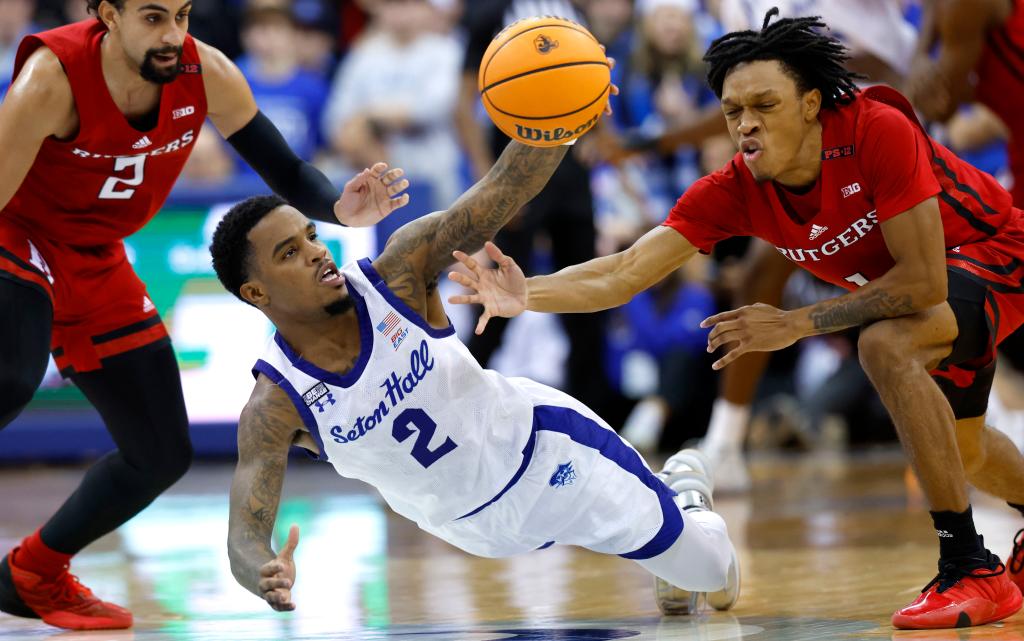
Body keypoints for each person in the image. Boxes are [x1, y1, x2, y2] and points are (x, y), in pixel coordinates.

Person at [451, 10, 1024, 630]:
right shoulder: (734, 188)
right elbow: (624, 270)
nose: (746, 123)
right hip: (937, 300)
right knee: (960, 449)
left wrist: (796, 323)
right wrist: (525, 293)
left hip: (999, 255)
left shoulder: (875, 129)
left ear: (810, 104)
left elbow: (922, 281)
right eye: (732, 112)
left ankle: (971, 567)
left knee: (886, 344)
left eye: (764, 104)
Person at [0, 0, 408, 631]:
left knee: (161, 452)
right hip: (17, 233)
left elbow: (288, 169)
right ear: (106, 14)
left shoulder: (207, 73)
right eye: (154, 18)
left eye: (183, 16)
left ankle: (31, 574)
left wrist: (339, 208)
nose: (173, 36)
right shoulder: (52, 80)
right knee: (7, 377)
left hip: (96, 255)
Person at [210, 136, 740, 618]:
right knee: (677, 567)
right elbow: (245, 533)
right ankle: (669, 535)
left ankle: (682, 495)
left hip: (550, 456)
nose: (316, 252)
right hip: (474, 531)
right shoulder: (275, 404)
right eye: (289, 254)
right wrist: (261, 571)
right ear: (256, 293)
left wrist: (558, 119)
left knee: (712, 576)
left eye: (309, 236)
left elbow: (505, 188)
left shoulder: (397, 275)